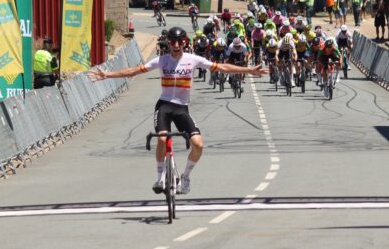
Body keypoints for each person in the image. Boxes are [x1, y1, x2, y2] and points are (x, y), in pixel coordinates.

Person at [88, 27, 264, 195]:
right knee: (162, 139)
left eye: (180, 42)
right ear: (169, 43)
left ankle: (185, 177)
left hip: (181, 108)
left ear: (184, 43)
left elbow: (222, 67)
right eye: (173, 42)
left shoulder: (193, 59)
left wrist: (248, 70)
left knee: (198, 144)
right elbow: (135, 71)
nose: (176, 45)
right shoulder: (162, 60)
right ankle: (160, 177)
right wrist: (108, 75)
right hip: (164, 106)